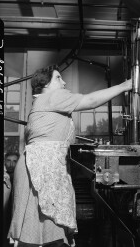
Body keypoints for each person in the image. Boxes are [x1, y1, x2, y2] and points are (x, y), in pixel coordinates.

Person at [8, 65, 132, 247]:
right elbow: (89, 100)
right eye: (58, 78)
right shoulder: (53, 96)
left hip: (37, 168)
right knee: (47, 237)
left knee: (41, 237)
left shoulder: (42, 102)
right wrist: (125, 86)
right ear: (46, 84)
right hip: (41, 171)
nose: (64, 82)